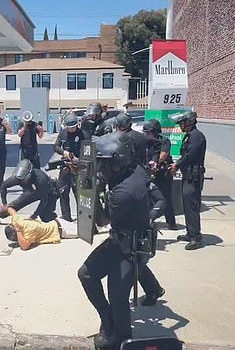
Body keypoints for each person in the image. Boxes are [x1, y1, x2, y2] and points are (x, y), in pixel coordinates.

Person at [77, 131, 161, 349]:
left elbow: (103, 220)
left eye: (103, 163)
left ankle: (121, 339)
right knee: (86, 274)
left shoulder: (123, 192)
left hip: (131, 248)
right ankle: (107, 320)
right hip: (120, 239)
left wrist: (90, 190)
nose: (100, 167)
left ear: (116, 162)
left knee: (118, 298)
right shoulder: (134, 170)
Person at [168, 111, 206, 251]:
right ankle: (191, 233)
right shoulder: (190, 136)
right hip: (188, 177)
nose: (180, 126)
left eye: (182, 123)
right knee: (187, 207)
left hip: (193, 178)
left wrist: (177, 165)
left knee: (192, 207)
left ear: (189, 123)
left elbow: (190, 156)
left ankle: (196, 237)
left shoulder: (196, 137)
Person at [0, 159, 58, 227]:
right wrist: (5, 204)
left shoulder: (41, 180)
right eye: (20, 180)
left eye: (24, 179)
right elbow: (4, 186)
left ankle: (54, 221)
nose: (22, 181)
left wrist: (34, 216)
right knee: (12, 206)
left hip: (48, 193)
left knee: (45, 215)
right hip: (30, 191)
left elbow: (44, 201)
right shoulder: (17, 178)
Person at [143, 119, 178, 229]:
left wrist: (156, 163)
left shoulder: (164, 141)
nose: (146, 134)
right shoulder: (147, 142)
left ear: (154, 131)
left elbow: (163, 155)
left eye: (148, 132)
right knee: (148, 198)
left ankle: (171, 222)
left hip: (163, 174)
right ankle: (150, 219)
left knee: (165, 197)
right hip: (149, 172)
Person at [53, 112, 85, 221]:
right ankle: (66, 216)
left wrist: (79, 159)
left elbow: (88, 150)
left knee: (78, 193)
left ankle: (82, 218)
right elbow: (56, 147)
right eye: (69, 128)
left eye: (73, 127)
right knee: (63, 191)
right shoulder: (63, 133)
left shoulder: (82, 134)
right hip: (65, 166)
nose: (71, 129)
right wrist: (64, 152)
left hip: (78, 167)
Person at [2, 206, 78, 251]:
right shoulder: (18, 221)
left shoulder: (28, 230)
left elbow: (24, 247)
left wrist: (18, 231)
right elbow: (11, 210)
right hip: (58, 224)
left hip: (63, 229)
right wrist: (5, 208)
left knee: (86, 233)